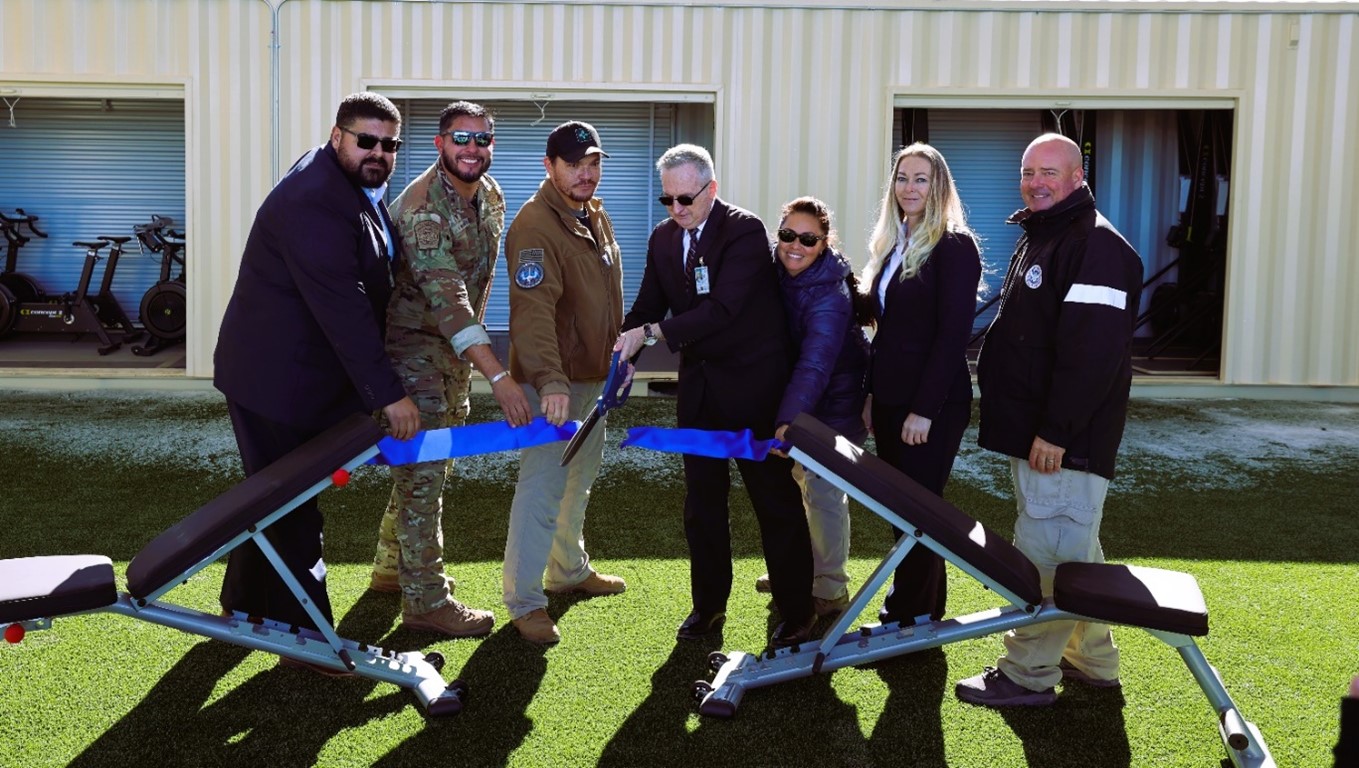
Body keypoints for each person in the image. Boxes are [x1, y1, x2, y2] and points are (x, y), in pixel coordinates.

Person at [213, 92, 420, 662]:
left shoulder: (345, 180)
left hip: (290, 374)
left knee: (269, 498)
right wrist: (391, 395)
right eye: (366, 140)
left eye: (389, 144)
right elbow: (343, 308)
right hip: (276, 382)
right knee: (293, 506)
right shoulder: (316, 199)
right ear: (338, 136)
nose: (378, 152)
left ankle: (242, 606)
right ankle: (311, 641)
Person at [955, 132, 1144, 707]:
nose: (1036, 182)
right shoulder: (1048, 235)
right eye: (1028, 171)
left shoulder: (1096, 246)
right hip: (1041, 433)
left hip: (1065, 439)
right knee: (1072, 542)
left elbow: (1092, 356)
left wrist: (1057, 433)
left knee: (1048, 551)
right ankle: (1091, 658)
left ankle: (1027, 674)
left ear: (1078, 177)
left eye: (1050, 173)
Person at [615, 144, 815, 648]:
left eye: (686, 198)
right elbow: (645, 306)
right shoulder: (663, 239)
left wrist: (654, 333)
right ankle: (708, 607)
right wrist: (624, 353)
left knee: (774, 501)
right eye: (668, 199)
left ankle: (796, 609)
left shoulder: (744, 231)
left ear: (712, 189)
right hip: (699, 393)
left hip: (754, 391)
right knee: (702, 505)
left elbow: (723, 310)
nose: (677, 209)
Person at [370, 100, 532, 638]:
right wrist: (499, 375)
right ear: (440, 143)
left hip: (453, 353)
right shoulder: (422, 208)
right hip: (413, 347)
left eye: (483, 140)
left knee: (431, 465)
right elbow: (451, 302)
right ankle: (426, 601)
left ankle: (393, 570)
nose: (473, 149)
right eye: (461, 139)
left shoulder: (492, 194)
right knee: (426, 472)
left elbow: (481, 287)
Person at [502, 120, 628, 645]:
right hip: (555, 385)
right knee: (543, 488)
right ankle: (525, 601)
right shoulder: (535, 224)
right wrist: (550, 381)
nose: (585, 173)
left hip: (593, 377)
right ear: (548, 167)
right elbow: (532, 313)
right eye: (573, 164)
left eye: (593, 162)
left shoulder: (592, 214)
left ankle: (568, 571)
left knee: (579, 482)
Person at [860, 143, 982, 626]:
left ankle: (905, 616)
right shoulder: (895, 242)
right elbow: (884, 331)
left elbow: (953, 335)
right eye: (902, 178)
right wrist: (872, 394)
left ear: (939, 187)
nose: (909, 188)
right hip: (890, 399)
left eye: (920, 179)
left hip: (931, 405)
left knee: (915, 513)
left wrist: (924, 409)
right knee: (907, 512)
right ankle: (924, 613)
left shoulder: (953, 245)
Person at [757, 196, 872, 620]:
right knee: (802, 487)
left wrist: (788, 421)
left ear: (823, 243)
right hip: (806, 399)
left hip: (836, 403)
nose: (795, 245)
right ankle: (802, 571)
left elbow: (815, 364)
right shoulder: (778, 271)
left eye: (808, 239)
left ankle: (830, 587)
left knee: (823, 494)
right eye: (788, 235)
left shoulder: (829, 293)